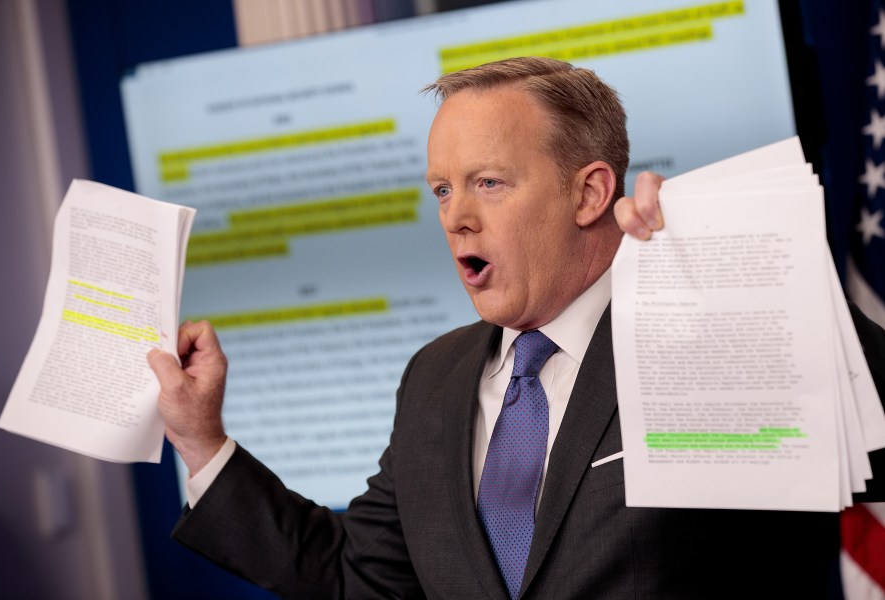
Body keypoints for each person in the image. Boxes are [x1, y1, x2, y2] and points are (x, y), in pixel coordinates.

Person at [148, 57, 885, 599]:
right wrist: (200, 440)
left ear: (590, 191)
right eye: (441, 189)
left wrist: (745, 279)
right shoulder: (432, 378)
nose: (454, 216)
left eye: (488, 183)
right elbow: (355, 580)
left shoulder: (702, 331)